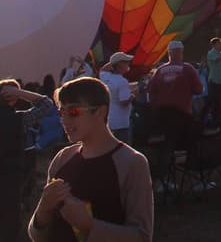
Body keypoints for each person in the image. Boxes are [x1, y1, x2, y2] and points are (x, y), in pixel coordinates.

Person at [27, 77, 153, 242]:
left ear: (100, 112)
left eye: (73, 112)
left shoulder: (131, 163)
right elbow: (38, 236)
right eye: (61, 112)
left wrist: (89, 225)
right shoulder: (63, 158)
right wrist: (42, 211)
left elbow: (142, 236)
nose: (64, 120)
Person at [2, 80, 56, 240]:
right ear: (13, 98)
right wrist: (19, 93)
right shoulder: (19, 119)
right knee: (9, 223)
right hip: (10, 177)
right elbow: (46, 104)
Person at [98, 53, 136, 144]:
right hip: (121, 123)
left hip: (108, 121)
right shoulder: (122, 81)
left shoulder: (105, 77)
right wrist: (134, 95)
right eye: (125, 62)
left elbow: (102, 69)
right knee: (123, 149)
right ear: (120, 64)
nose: (128, 64)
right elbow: (124, 102)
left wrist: (113, 62)